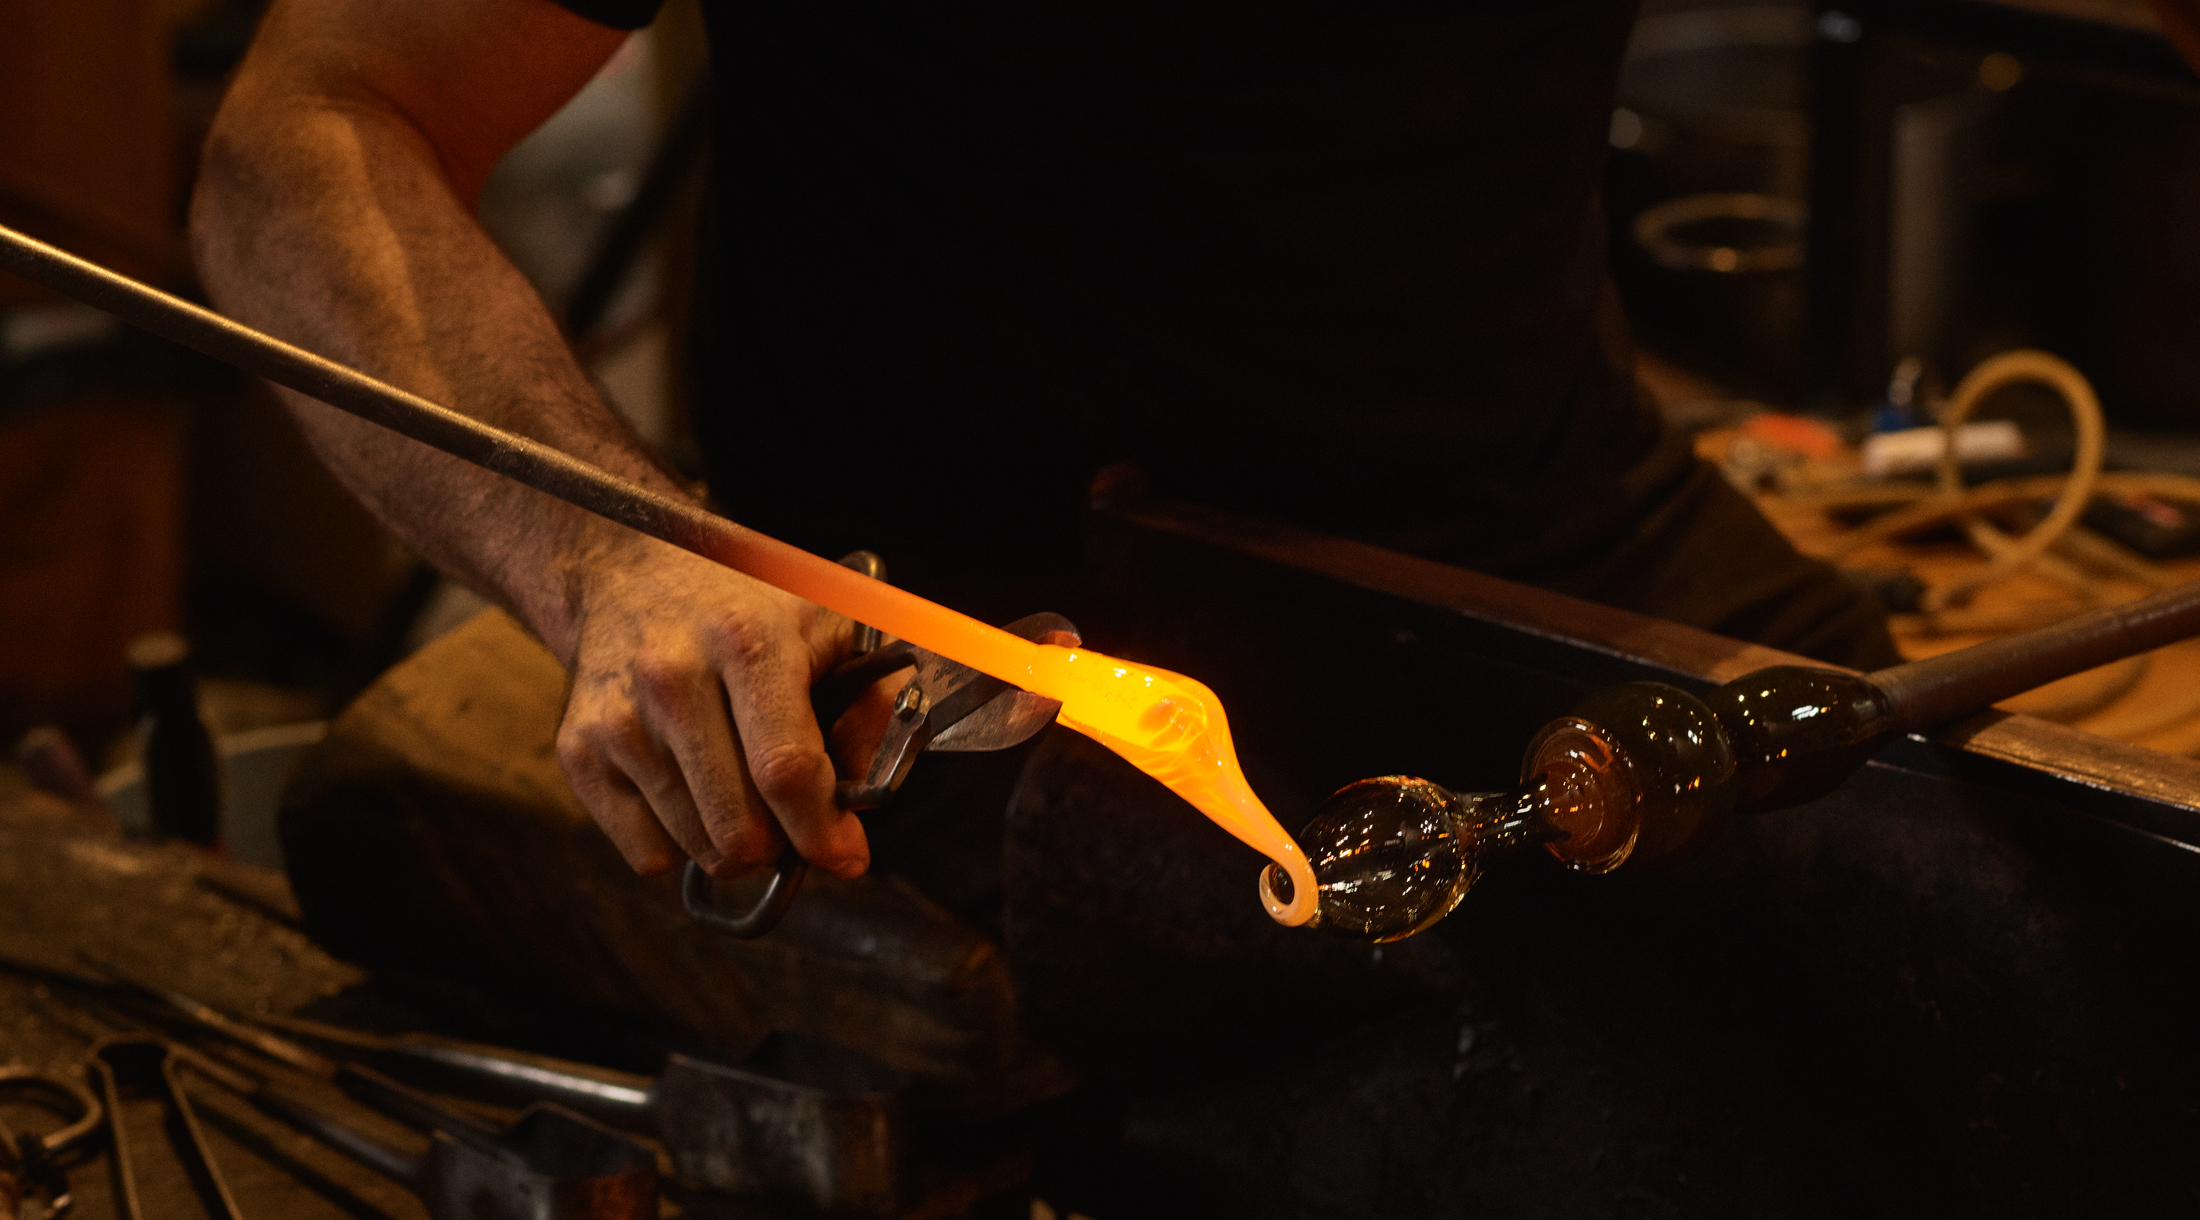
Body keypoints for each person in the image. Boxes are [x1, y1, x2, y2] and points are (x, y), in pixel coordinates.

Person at [191, 0, 1898, 905]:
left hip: (1536, 521)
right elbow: (308, 132)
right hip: (975, 651)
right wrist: (612, 554)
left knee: (1959, 867)